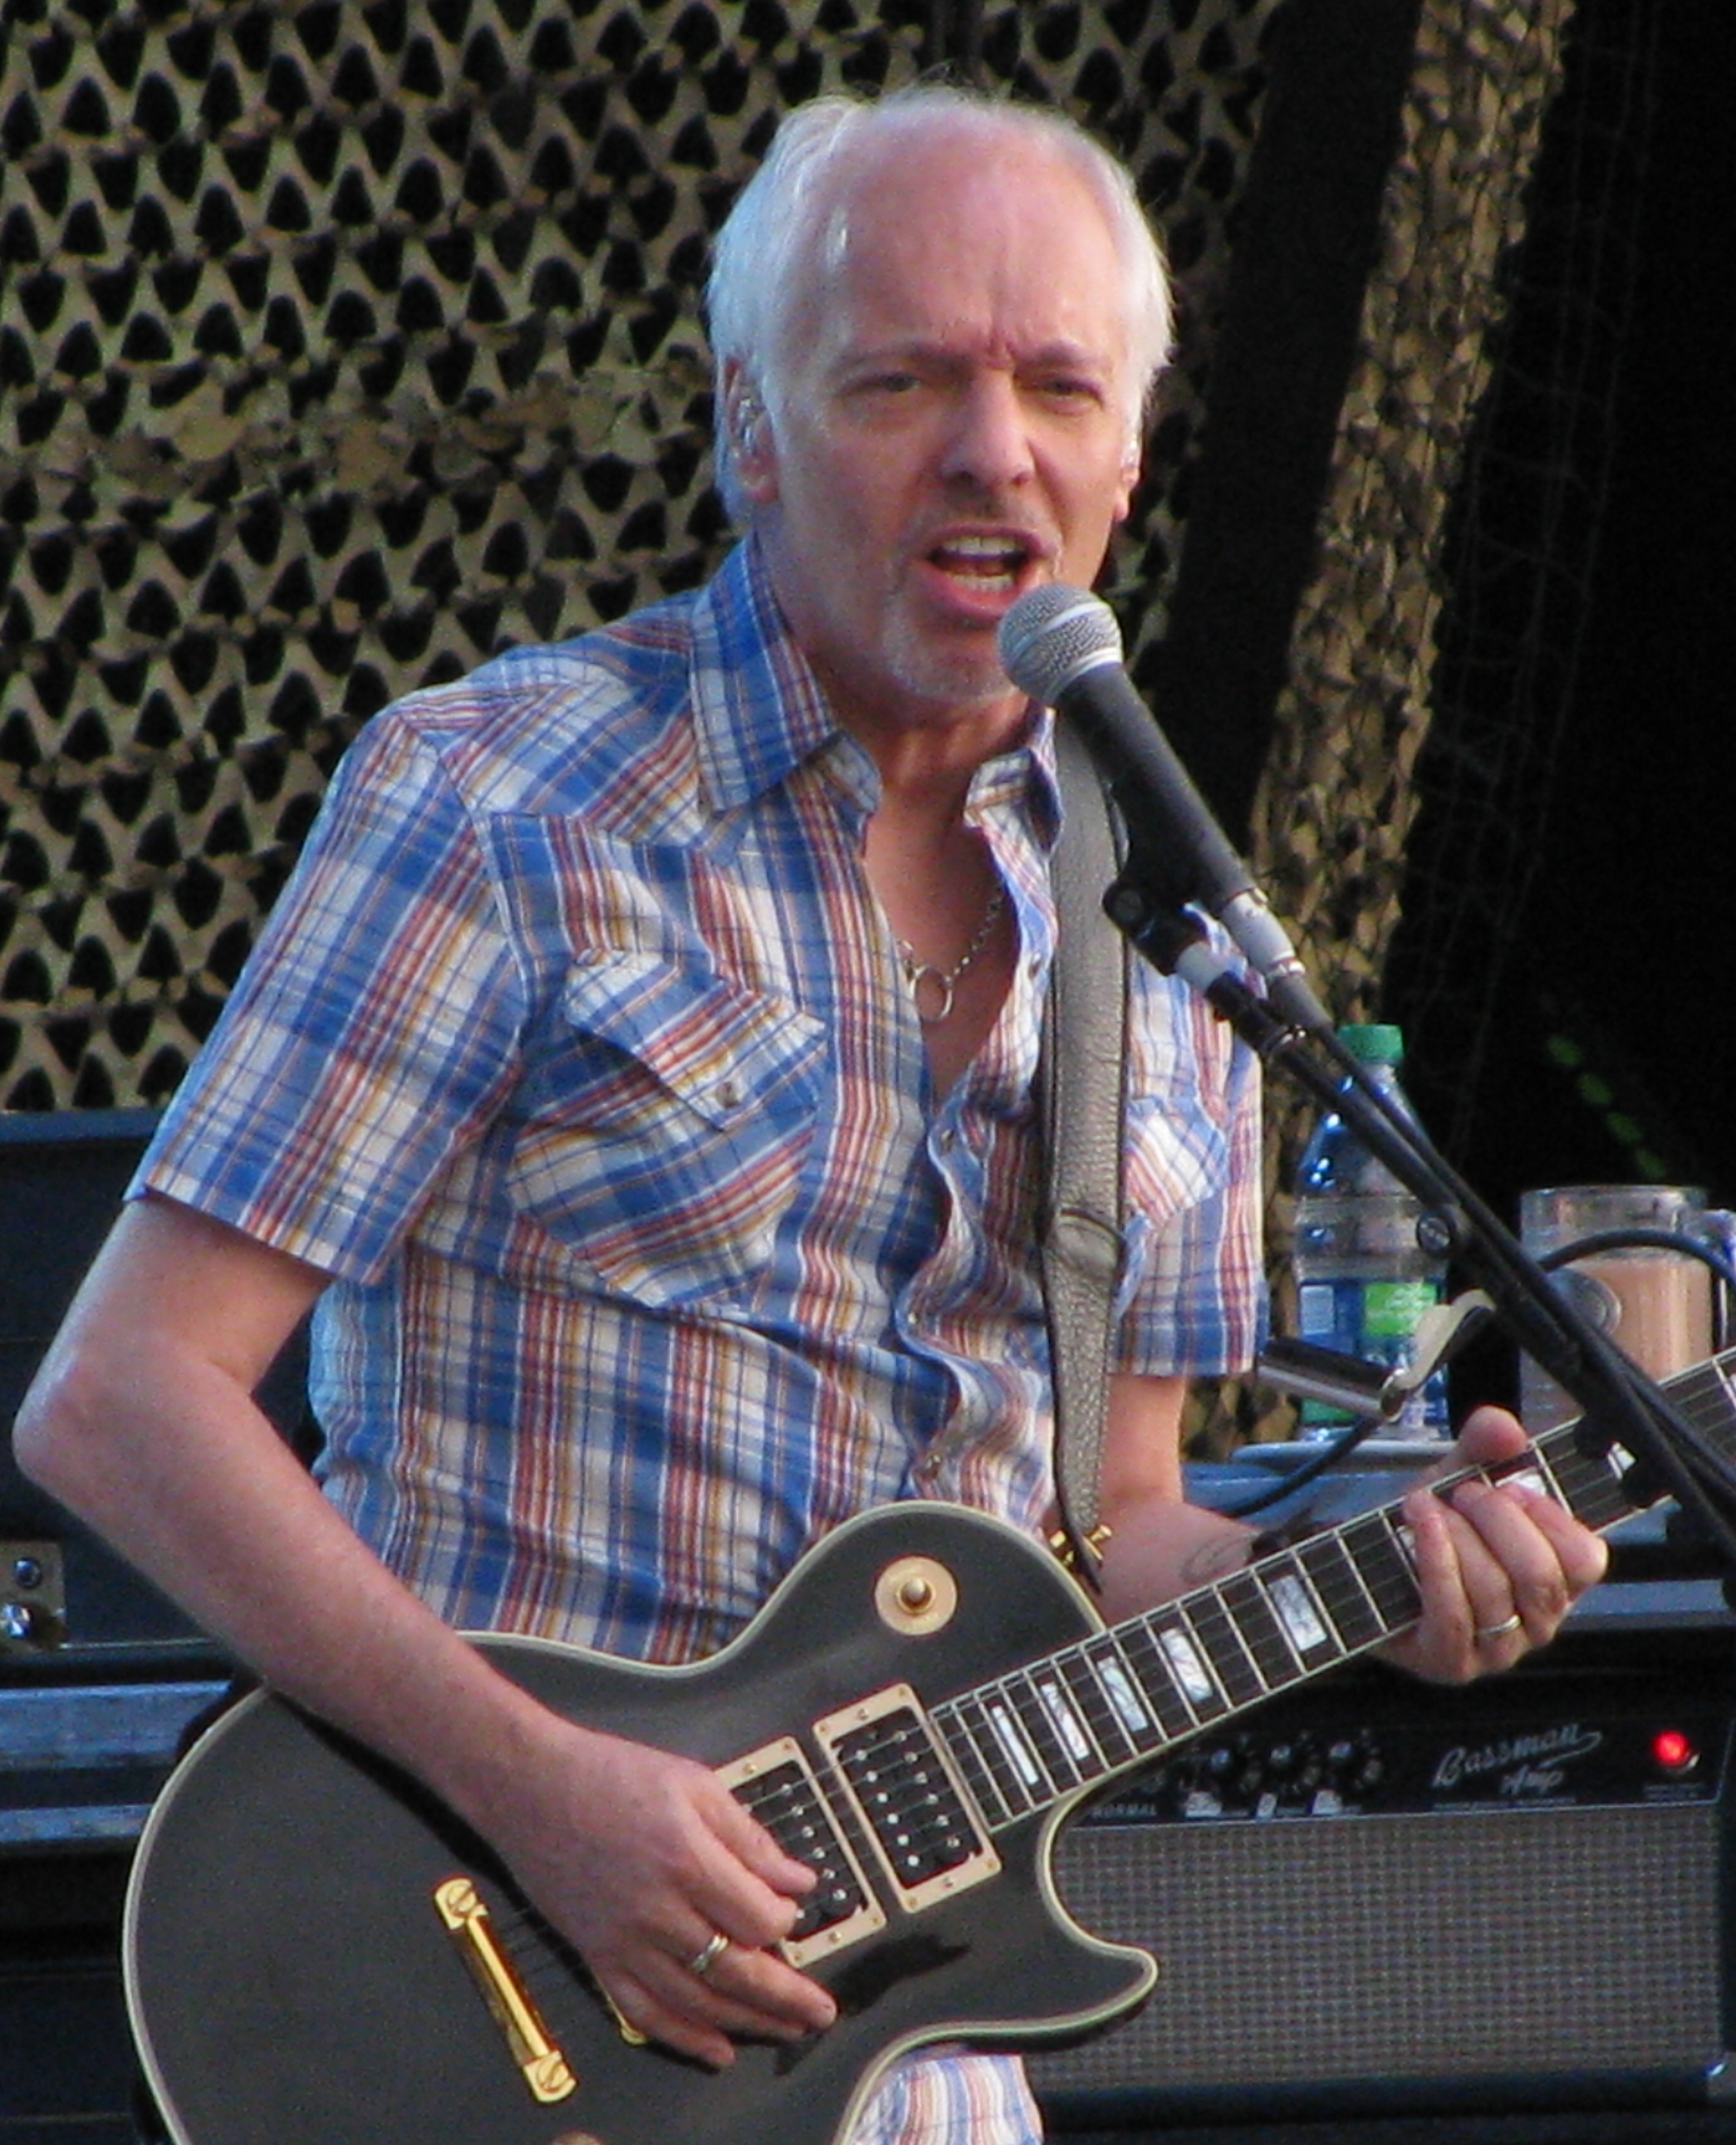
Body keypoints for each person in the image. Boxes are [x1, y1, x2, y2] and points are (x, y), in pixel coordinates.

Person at [16, 85, 1607, 2145]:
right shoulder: (509, 801)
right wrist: (543, 1791)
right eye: (901, 381)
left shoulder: (1173, 918)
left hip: (923, 2057)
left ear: (1129, 455)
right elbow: (119, 1403)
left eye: (1056, 385)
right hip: (484, 1963)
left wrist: (1404, 1593)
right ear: (748, 431)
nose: (991, 448)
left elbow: (1112, 1522)